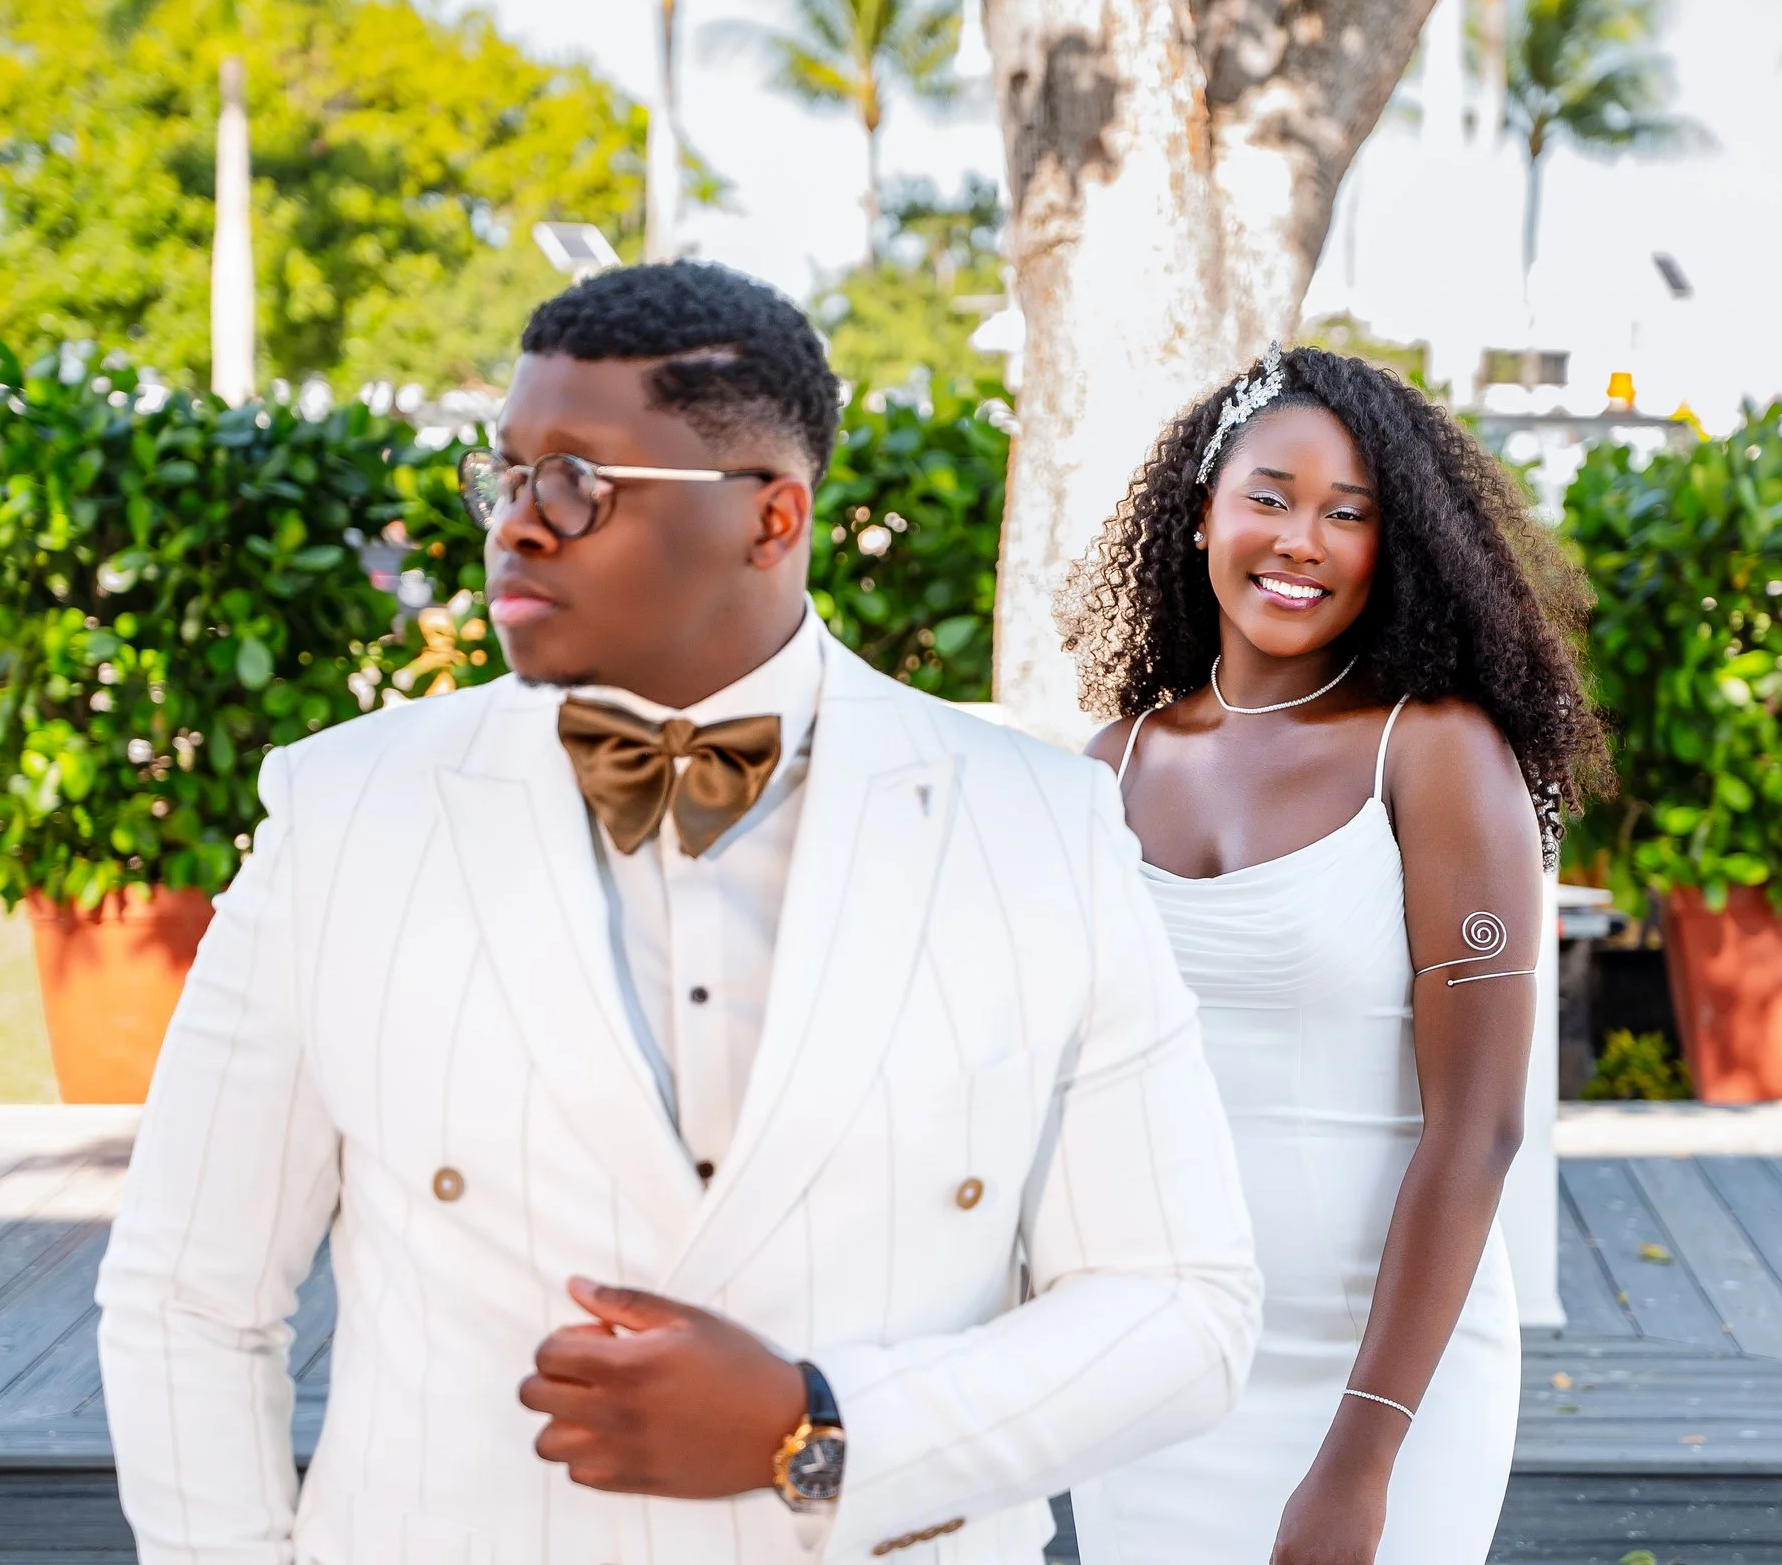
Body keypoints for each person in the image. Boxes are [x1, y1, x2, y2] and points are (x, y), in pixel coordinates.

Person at [95, 262, 1261, 1565]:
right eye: (507, 476)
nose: (517, 527)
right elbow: (187, 1295)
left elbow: (1181, 1306)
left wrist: (818, 1426)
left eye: (578, 483)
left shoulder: (1037, 827)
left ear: (772, 518)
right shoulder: (346, 815)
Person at [1060, 344, 1607, 1565]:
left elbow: (1480, 1127)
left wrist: (1361, 1458)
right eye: (1269, 496)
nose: (1300, 539)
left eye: (1348, 514)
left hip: (1385, 1378)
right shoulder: (1108, 766)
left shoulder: (1436, 754)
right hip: (1159, 1357)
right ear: (1202, 514)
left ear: (1394, 548)